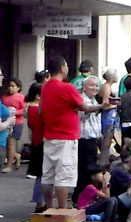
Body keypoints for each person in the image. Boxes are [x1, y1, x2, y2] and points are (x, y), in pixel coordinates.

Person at [40, 56, 110, 209]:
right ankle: (62, 209)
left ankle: (49, 206)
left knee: (48, 174)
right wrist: (101, 106)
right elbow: (84, 107)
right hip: (66, 136)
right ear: (62, 68)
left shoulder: (45, 88)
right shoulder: (66, 88)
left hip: (50, 134)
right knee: (63, 175)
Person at [75, 76, 104, 202]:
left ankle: (85, 196)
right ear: (84, 87)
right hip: (83, 140)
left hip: (93, 140)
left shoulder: (94, 100)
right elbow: (82, 115)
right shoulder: (82, 99)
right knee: (84, 171)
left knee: (88, 171)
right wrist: (99, 107)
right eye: (91, 85)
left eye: (97, 85)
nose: (95, 88)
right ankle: (80, 197)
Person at [25, 82, 45, 212]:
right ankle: (40, 202)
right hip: (41, 143)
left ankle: (40, 201)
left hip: (35, 143)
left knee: (41, 174)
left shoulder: (29, 108)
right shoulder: (37, 110)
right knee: (43, 175)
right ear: (38, 96)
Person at [2, 75, 26, 173]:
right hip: (6, 123)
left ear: (18, 87)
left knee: (11, 144)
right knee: (7, 145)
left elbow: (24, 110)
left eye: (13, 86)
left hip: (17, 124)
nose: (10, 88)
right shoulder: (4, 97)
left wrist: (14, 113)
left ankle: (8, 166)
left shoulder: (21, 97)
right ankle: (16, 156)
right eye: (9, 86)